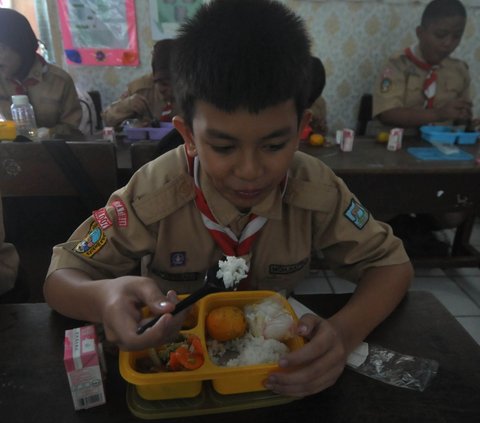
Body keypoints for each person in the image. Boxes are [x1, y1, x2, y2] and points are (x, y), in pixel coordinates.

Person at [44, 0, 413, 398]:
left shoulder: (316, 188)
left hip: (275, 374)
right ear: (188, 134)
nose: (251, 171)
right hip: (177, 378)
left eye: (274, 144)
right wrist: (101, 298)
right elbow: (61, 277)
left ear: (302, 127)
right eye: (223, 146)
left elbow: (392, 266)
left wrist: (343, 333)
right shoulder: (153, 191)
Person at [371, 0, 479, 135]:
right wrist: (438, 114)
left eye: (456, 36)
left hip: (441, 148)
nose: (448, 43)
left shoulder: (460, 70)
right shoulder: (398, 65)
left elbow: (459, 119)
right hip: (399, 145)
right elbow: (387, 114)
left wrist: (467, 123)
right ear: (420, 33)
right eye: (440, 35)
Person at [0, 8, 83, 140]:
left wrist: (51, 133)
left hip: (53, 155)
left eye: (1, 48)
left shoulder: (59, 81)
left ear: (20, 46)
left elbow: (74, 130)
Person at [102, 39, 176, 129]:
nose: (171, 90)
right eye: (164, 84)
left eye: (175, 84)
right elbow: (107, 119)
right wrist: (126, 106)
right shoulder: (141, 88)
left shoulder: (193, 89)